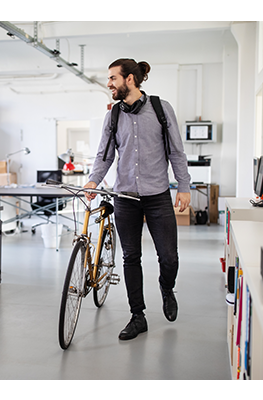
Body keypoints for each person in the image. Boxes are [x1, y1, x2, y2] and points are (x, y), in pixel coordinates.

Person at [85, 58, 191, 341]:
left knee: (169, 257)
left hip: (158, 196)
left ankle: (167, 288)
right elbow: (104, 154)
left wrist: (184, 185)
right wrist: (94, 179)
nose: (109, 84)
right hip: (125, 197)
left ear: (129, 79)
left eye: (112, 78)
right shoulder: (113, 115)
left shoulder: (160, 108)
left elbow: (176, 152)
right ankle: (137, 316)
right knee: (131, 257)